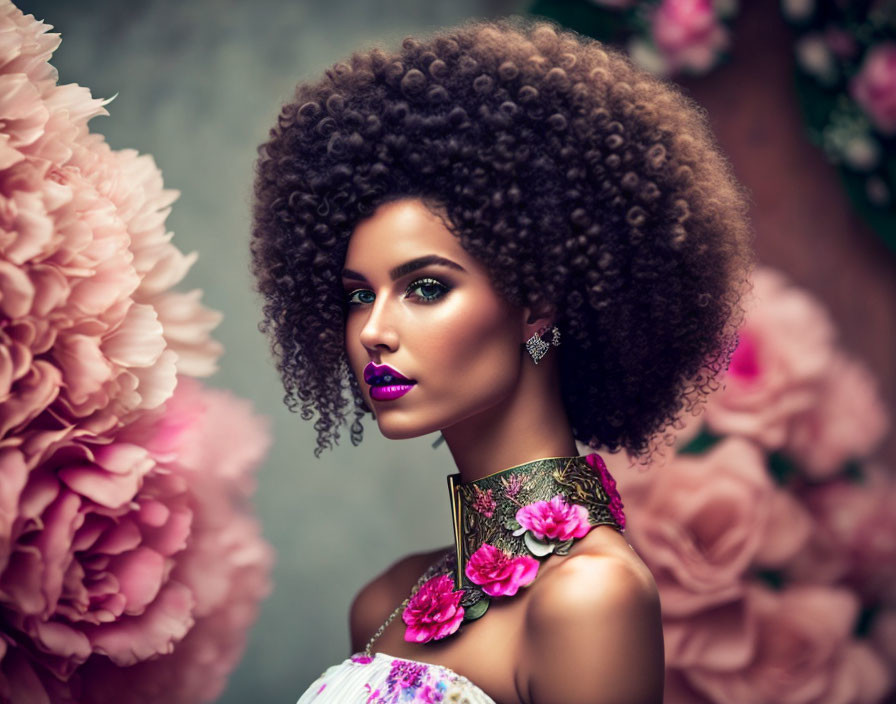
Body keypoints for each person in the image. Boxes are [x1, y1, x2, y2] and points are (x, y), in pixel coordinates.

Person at [250, 15, 754, 704]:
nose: (373, 329)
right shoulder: (386, 602)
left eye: (426, 287)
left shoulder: (590, 599)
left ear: (537, 302)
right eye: (358, 296)